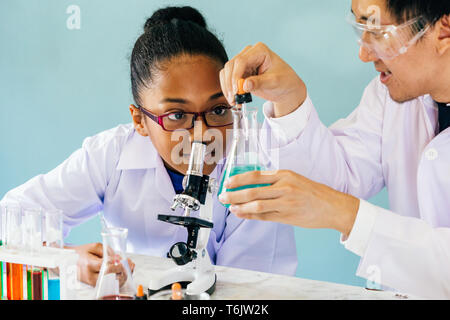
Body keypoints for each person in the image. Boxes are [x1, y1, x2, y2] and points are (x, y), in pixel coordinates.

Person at [0, 6, 298, 287]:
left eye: (218, 110)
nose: (201, 134)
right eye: (177, 116)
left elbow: (250, 290)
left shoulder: (255, 164)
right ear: (139, 120)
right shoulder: (111, 155)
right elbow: (10, 219)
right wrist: (64, 260)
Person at [218, 0, 450, 299]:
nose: (364, 54)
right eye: (360, 29)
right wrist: (290, 99)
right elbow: (338, 180)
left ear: (443, 29)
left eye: (377, 31)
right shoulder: (391, 96)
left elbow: (335, 203)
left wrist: (347, 215)